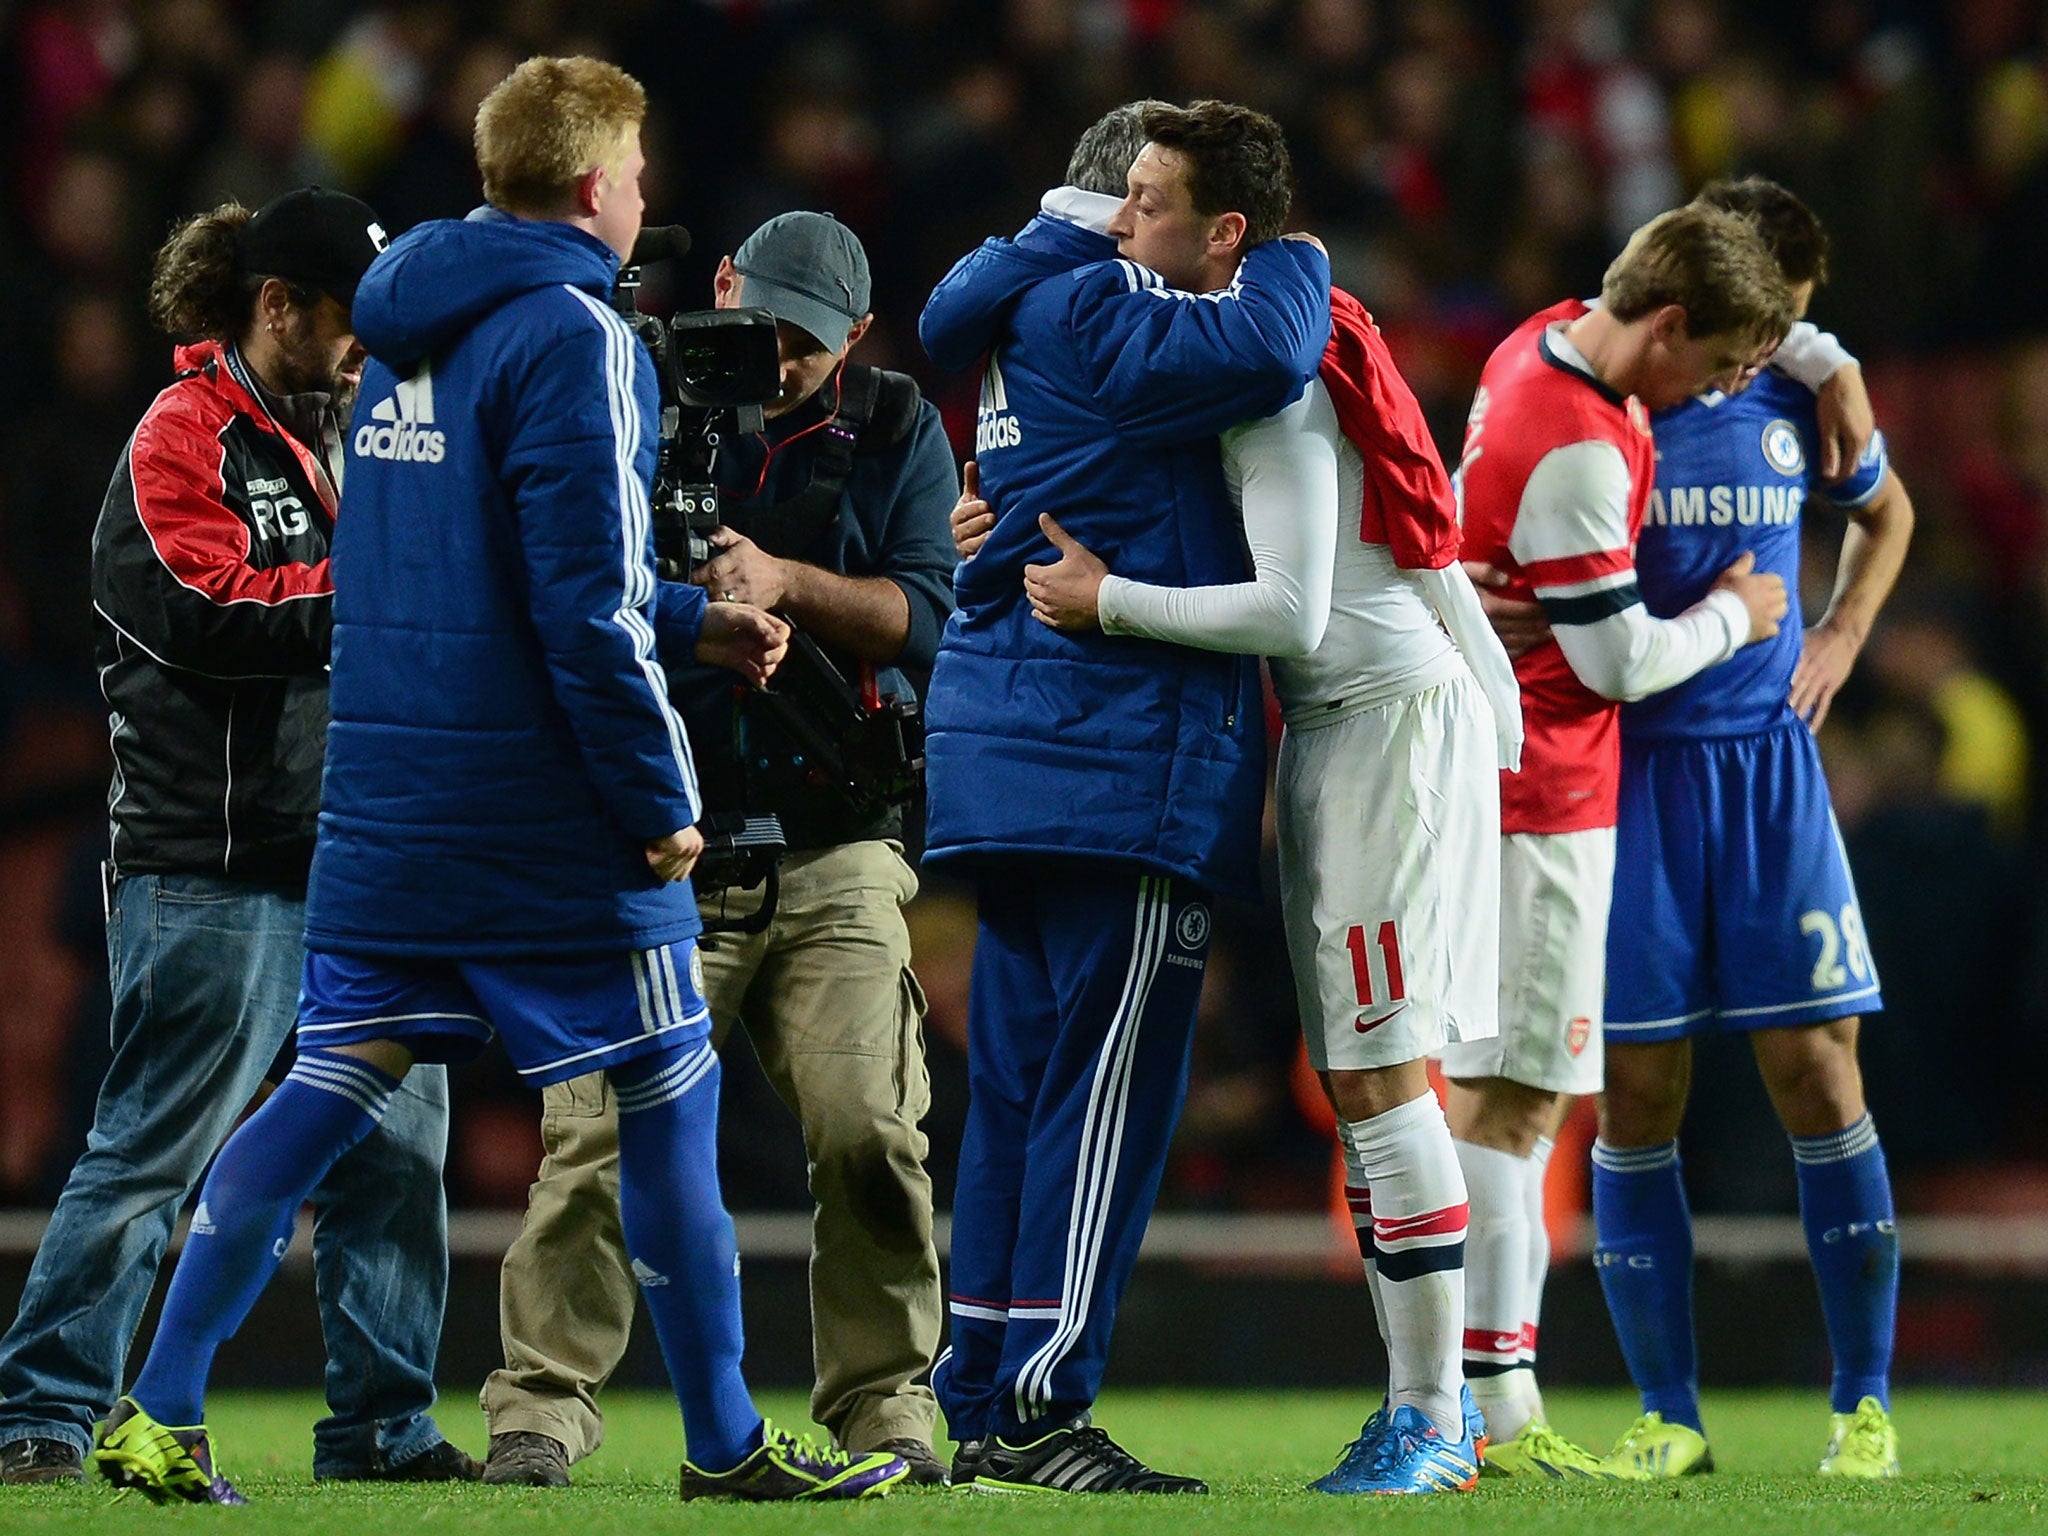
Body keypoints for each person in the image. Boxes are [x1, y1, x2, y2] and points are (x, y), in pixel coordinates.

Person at [88, 56, 902, 1506]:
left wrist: (689, 617)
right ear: (599, 184)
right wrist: (660, 795)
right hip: (540, 816)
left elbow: (448, 568)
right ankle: (723, 1441)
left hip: (387, 809)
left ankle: (156, 1403)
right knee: (669, 1085)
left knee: (328, 1085)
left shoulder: (395, 332)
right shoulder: (575, 334)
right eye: (638, 172)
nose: (643, 192)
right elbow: (577, 606)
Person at [1012, 256, 1525, 1495]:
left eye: (1149, 206)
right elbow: (1430, 557)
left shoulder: (1276, 389)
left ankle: (1436, 1419)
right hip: (1359, 732)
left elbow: (1294, 614)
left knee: (1385, 1077)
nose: (1125, 234)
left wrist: (1107, 601)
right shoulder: (1310, 367)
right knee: (1360, 1084)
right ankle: (1424, 1410)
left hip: (1376, 727)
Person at [0, 187, 471, 1489]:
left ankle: (380, 1422)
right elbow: (205, 608)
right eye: (349, 325)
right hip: (212, 870)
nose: (369, 354)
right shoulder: (179, 433)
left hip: (353, 866)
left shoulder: (336, 437)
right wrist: (387, 592)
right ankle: (40, 1409)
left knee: (400, 1149)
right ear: (277, 308)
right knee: (155, 1147)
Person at [480, 211, 959, 1488]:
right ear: (725, 286)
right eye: (764, 327)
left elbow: (924, 621)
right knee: (592, 1140)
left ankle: (883, 1403)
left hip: (833, 837)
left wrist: (785, 581)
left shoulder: (900, 428)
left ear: (855, 335)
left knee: (869, 1129)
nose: (781, 359)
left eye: (810, 343)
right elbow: (557, 580)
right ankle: (540, 1406)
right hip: (655, 840)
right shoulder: (624, 393)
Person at [917, 99, 1331, 1494]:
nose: (1148, 228)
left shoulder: (1016, 317)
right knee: (1104, 1104)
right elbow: (1276, 348)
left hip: (1016, 763)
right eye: (1140, 201)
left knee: (1019, 1102)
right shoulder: (1100, 310)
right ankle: (1040, 1410)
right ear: (1108, 214)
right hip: (1118, 766)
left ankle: (976, 1394)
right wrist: (1290, 251)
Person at [1433, 202, 1795, 1476]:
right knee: (1518, 1109)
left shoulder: (1534, 343)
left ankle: (1452, 1397)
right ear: (1667, 324)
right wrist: (1738, 616)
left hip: (1494, 780)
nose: (1723, 388)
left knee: (1485, 1097)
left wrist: (1478, 593)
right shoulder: (1579, 446)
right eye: (1720, 362)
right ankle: (1494, 1403)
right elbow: (1620, 658)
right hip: (1541, 799)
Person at [1588, 179, 1914, 1479]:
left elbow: (1886, 513)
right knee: (1637, 1092)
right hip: (1636, 776)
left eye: (1793, 327)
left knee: (1820, 1074)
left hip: (1770, 773)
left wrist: (1840, 630)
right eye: (1776, 321)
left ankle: (1866, 1407)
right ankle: (1669, 1418)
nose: (1776, 341)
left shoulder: (1800, 389)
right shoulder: (1613, 393)